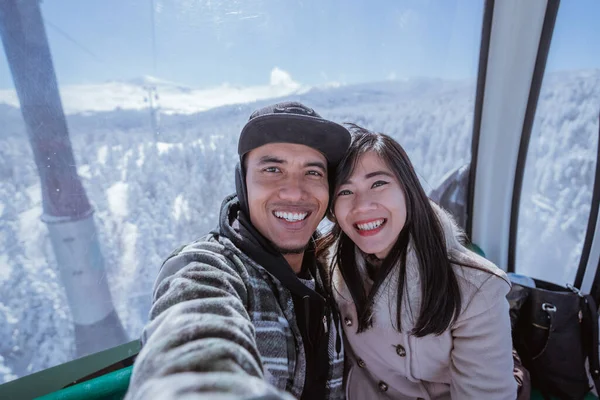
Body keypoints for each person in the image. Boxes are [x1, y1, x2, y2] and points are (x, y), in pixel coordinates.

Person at [125, 102, 351, 400]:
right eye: (273, 169)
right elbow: (193, 352)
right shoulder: (206, 267)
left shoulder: (330, 273)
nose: (295, 192)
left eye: (312, 172)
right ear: (242, 183)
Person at [321, 125, 518, 399]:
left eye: (378, 183)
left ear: (408, 190)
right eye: (345, 192)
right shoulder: (327, 263)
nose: (362, 205)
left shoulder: (474, 288)